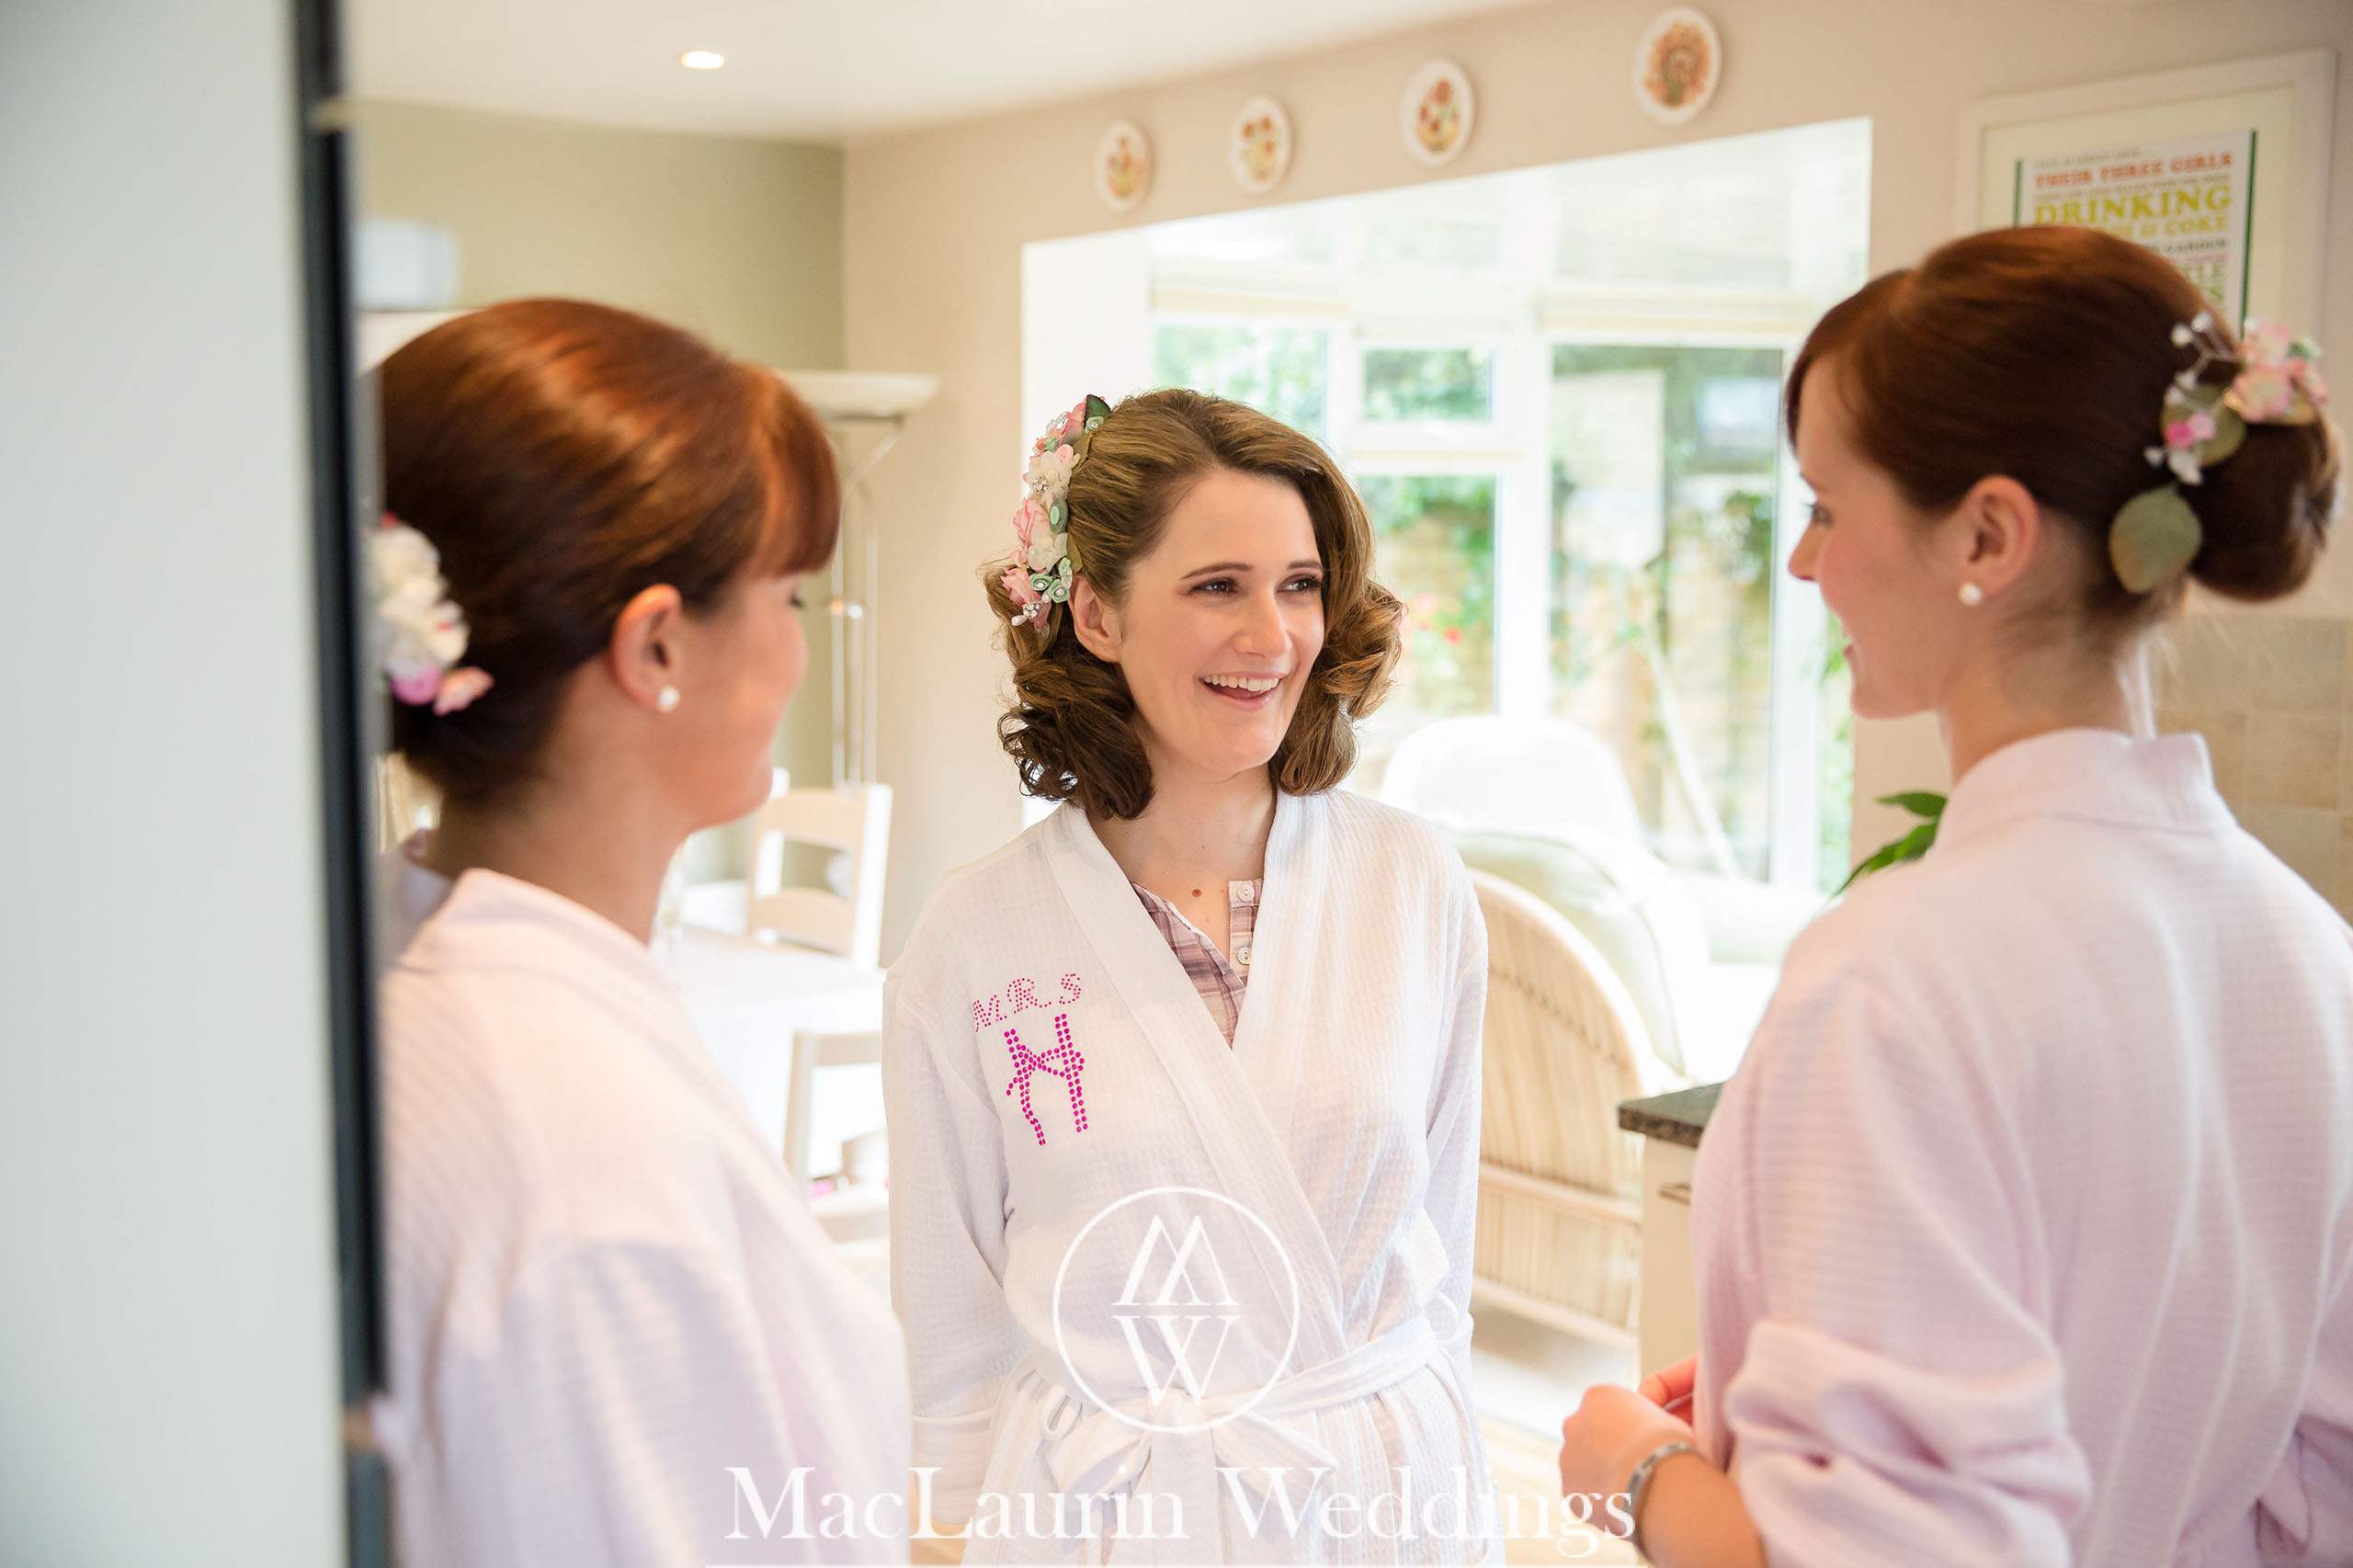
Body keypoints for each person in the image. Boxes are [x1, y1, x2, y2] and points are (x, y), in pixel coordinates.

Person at [1557, 224, 2353, 1566]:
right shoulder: (2313, 953)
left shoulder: (1892, 978)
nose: (1804, 565)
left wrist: (1633, 1470)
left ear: (1987, 530)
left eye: (1822, 506)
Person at [882, 389, 1498, 1562]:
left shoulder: (1411, 882)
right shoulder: (973, 938)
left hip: (1379, 1497)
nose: (1270, 636)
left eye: (1299, 584)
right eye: (1217, 585)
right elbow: (952, 1344)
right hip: (1108, 1512)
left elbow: (1442, 1264)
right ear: (1100, 614)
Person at [367, 299, 910, 1566]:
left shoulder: (428, 968)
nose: (795, 646)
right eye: (785, 593)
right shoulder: (576, 1159)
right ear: (657, 642)